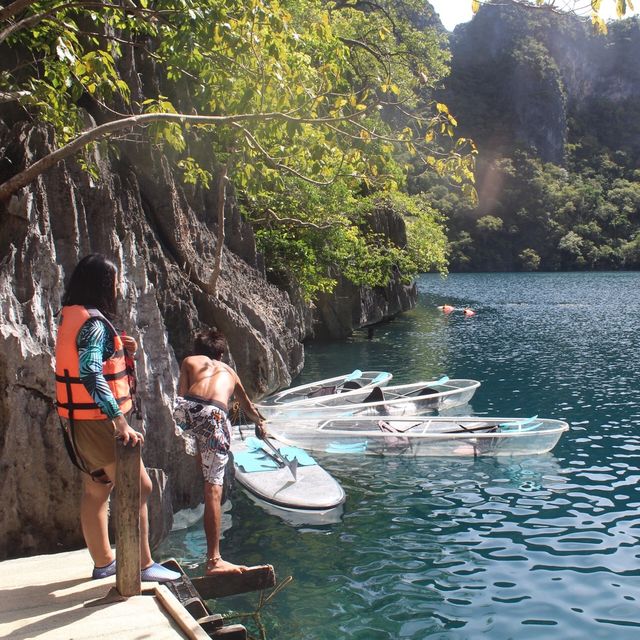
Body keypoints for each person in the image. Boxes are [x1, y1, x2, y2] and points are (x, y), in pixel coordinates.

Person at [55, 254, 179, 583]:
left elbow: (93, 361)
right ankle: (141, 564)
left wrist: (124, 350)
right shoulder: (94, 325)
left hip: (79, 422)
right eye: (115, 279)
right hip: (99, 422)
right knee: (139, 487)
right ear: (103, 284)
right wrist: (119, 421)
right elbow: (90, 373)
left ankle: (103, 562)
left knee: (97, 489)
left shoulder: (77, 317)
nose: (119, 284)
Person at [174, 328, 267, 575]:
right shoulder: (231, 373)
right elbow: (248, 409)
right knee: (213, 489)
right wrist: (261, 423)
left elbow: (181, 396)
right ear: (222, 355)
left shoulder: (189, 361)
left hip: (188, 408)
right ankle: (214, 561)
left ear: (198, 351)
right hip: (214, 414)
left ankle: (198, 454)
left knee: (199, 441)